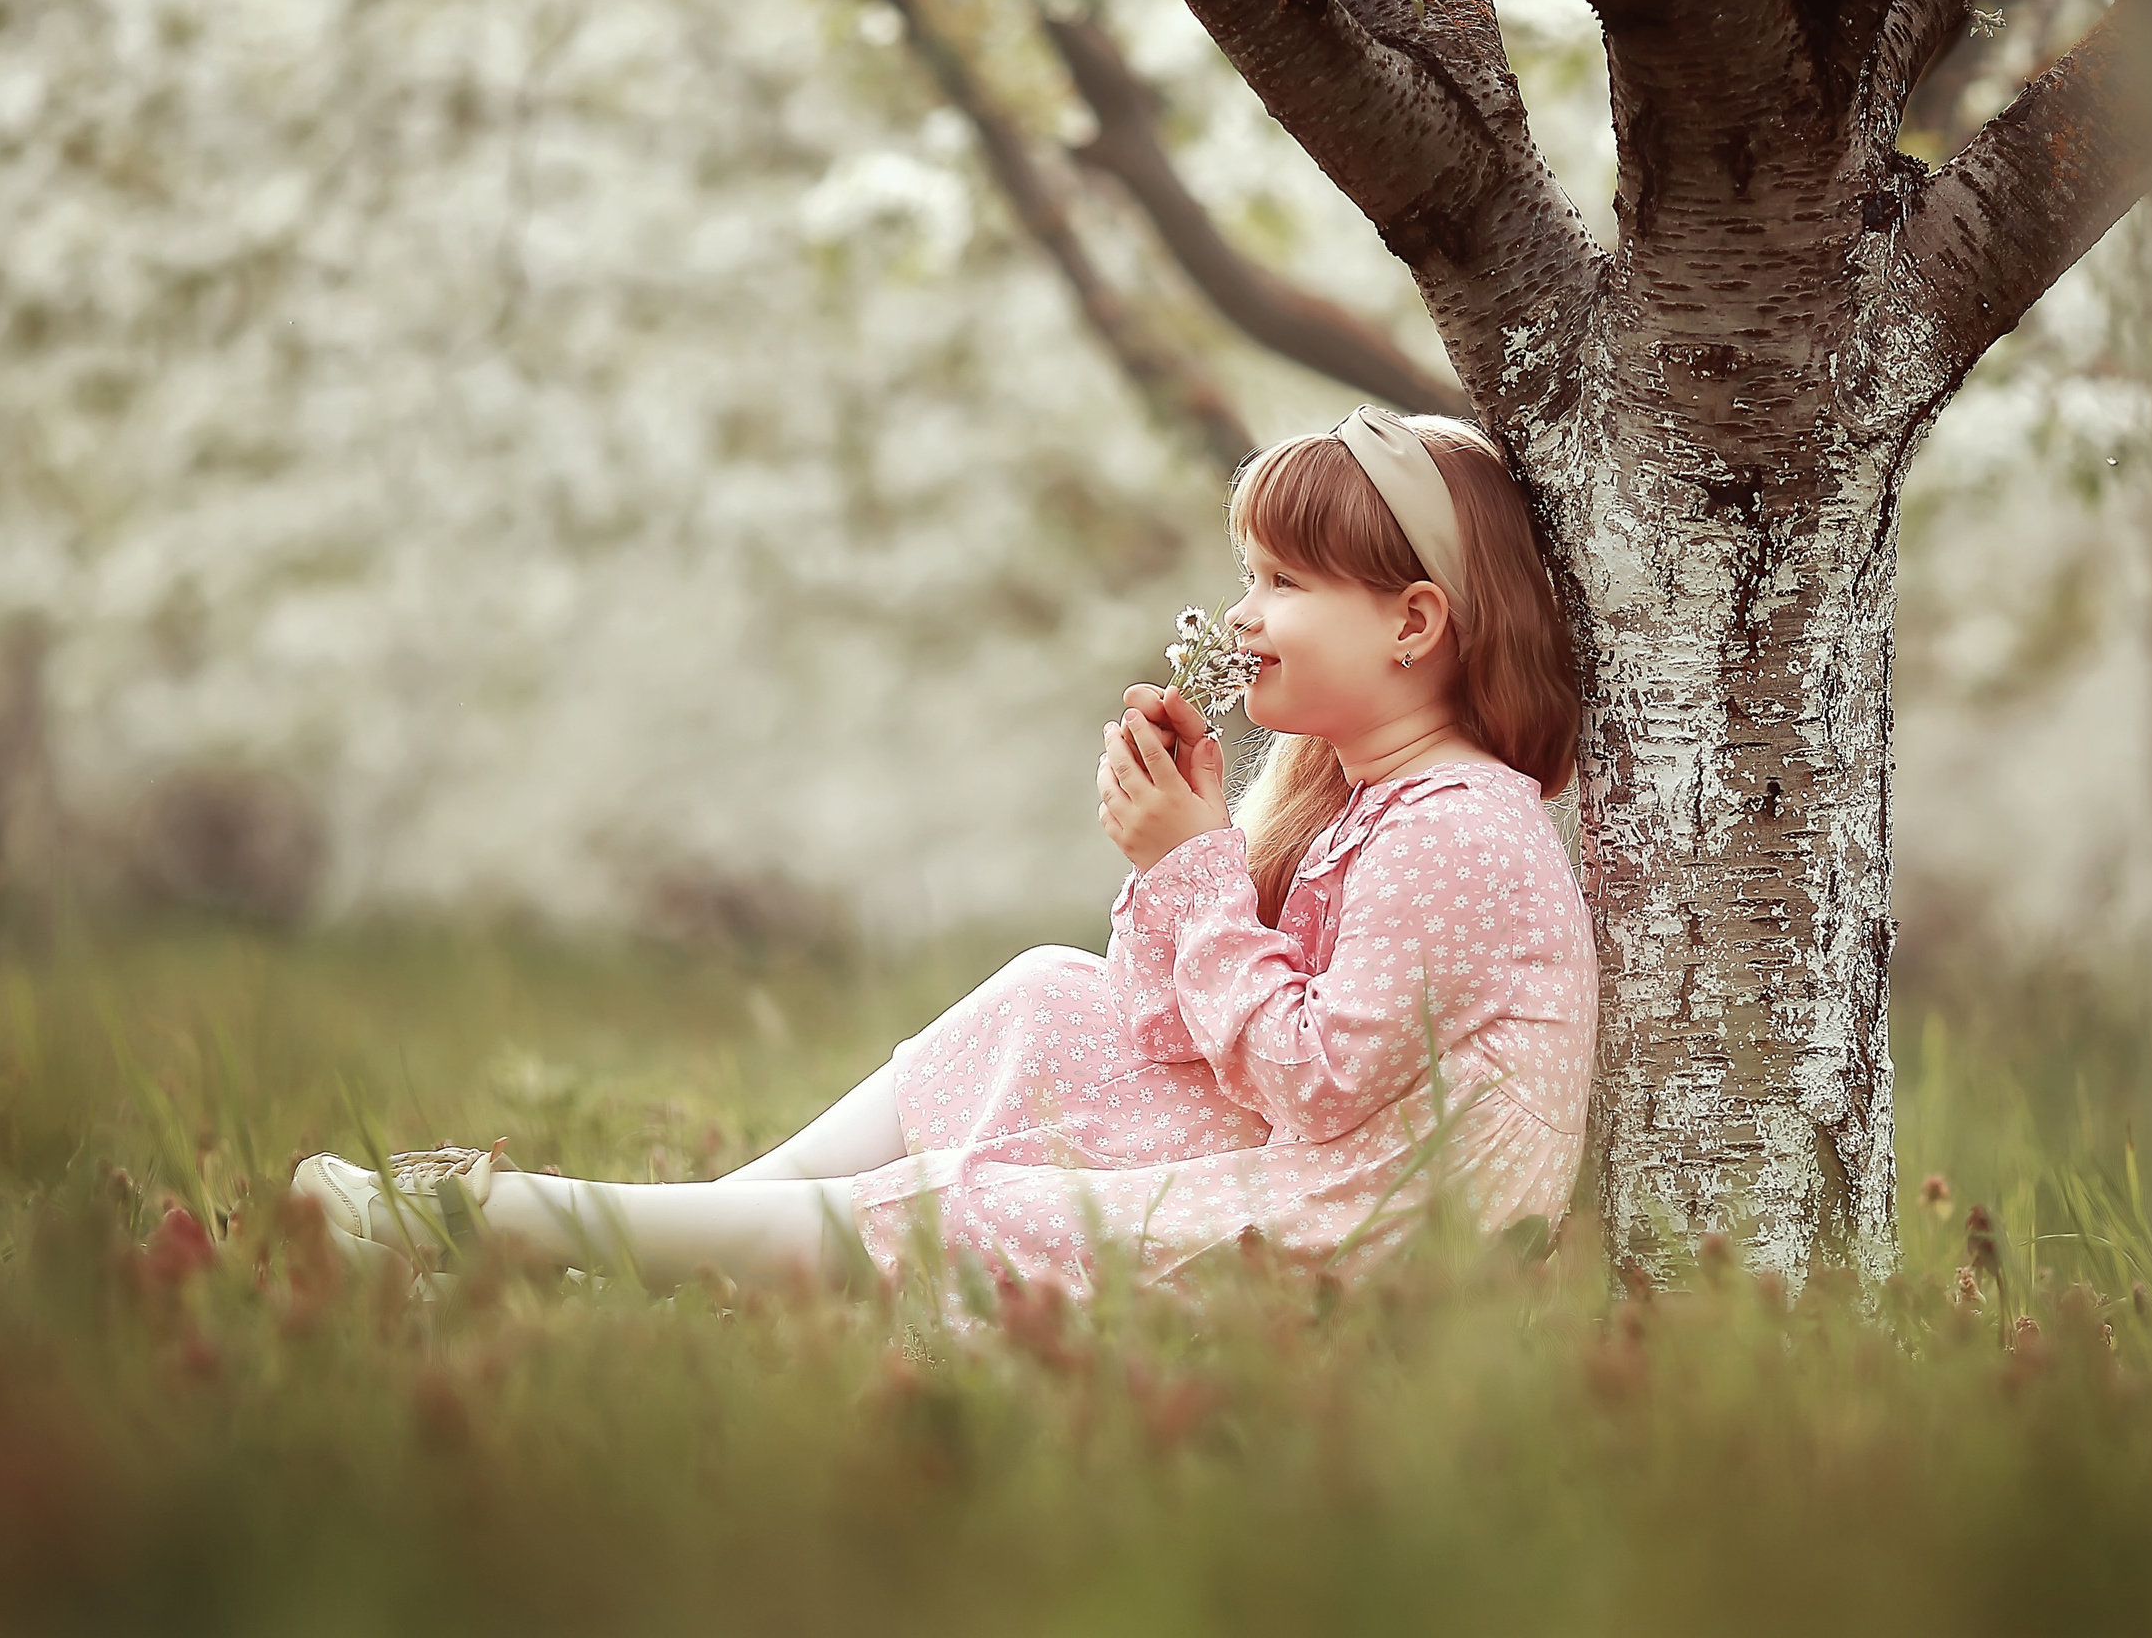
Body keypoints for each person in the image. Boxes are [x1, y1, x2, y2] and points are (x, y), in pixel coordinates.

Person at [292, 408, 1597, 1302]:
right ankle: (686, 1231)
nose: (1244, 616)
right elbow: (1164, 1026)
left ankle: (492, 1226)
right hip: (1335, 1174)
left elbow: (1314, 1085)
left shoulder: (1459, 828)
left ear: (1414, 623)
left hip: (1380, 1250)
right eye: (1244, 578)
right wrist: (1174, 852)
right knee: (1043, 995)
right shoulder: (1364, 804)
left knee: (960, 1205)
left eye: (1285, 586)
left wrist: (1197, 870)